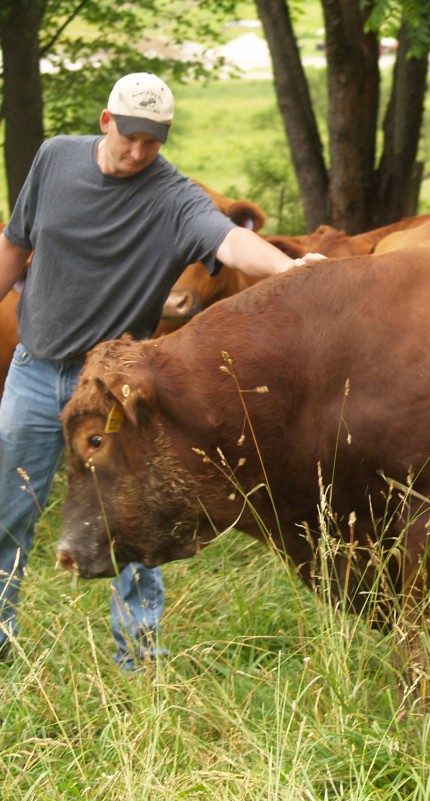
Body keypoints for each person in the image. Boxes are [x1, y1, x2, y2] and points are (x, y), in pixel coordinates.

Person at [0, 73, 317, 669]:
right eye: (130, 137)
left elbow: (229, 244)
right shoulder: (53, 160)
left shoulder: (173, 196)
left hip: (115, 389)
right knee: (8, 509)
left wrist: (292, 270)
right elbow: (15, 246)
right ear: (105, 122)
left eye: (154, 141)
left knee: (133, 516)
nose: (140, 152)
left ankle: (139, 658)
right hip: (35, 372)